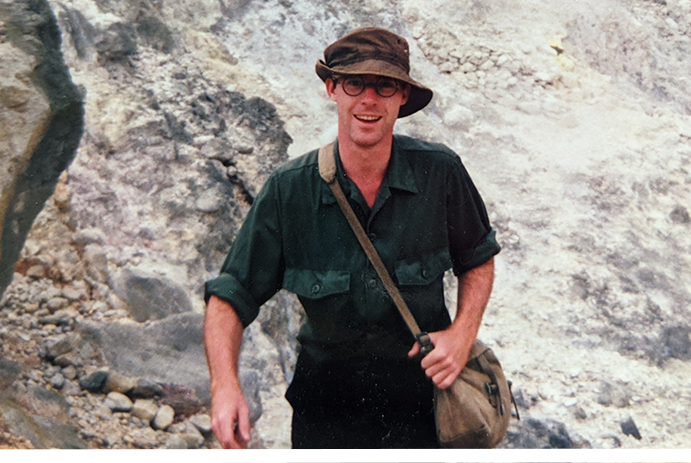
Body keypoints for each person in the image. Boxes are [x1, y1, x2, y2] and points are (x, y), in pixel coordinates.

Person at [202, 26, 499, 448]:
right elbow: (229, 296)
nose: (369, 100)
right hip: (325, 414)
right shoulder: (290, 190)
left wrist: (462, 334)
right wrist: (225, 387)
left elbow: (478, 257)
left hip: (425, 410)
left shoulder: (441, 172)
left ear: (402, 98)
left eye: (385, 86)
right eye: (355, 83)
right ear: (332, 89)